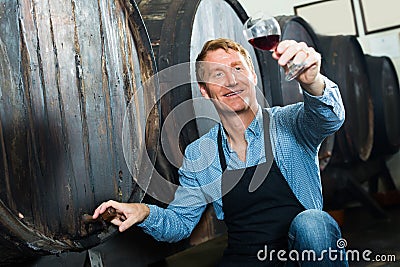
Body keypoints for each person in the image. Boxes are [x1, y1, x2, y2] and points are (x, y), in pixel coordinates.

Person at [92, 38, 347, 266]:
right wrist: (143, 212)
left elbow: (328, 118)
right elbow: (180, 223)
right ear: (204, 91)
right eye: (217, 74)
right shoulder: (201, 153)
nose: (231, 80)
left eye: (237, 68)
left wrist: (313, 82)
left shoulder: (289, 122)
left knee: (313, 224)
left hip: (299, 259)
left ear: (253, 76)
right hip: (245, 260)